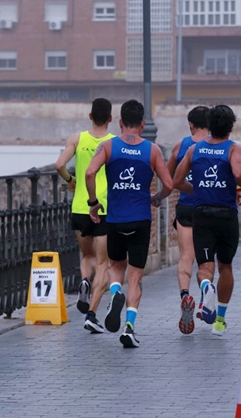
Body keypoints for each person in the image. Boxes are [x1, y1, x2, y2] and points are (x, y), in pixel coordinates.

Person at [85, 99, 174, 348]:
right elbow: (168, 184)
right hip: (140, 220)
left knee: (116, 267)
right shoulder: (152, 150)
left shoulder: (108, 146)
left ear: (121, 123)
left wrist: (93, 202)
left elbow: (90, 173)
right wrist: (156, 198)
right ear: (143, 124)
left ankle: (115, 295)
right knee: (135, 277)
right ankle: (129, 328)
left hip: (114, 219)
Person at [172, 105, 241, 337]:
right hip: (226, 214)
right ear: (231, 127)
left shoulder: (195, 149)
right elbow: (239, 173)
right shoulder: (233, 149)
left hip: (202, 213)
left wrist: (198, 190)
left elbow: (176, 180)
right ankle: (219, 320)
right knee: (226, 266)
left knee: (205, 267)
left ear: (209, 125)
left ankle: (205, 287)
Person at [54, 98, 114, 334]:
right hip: (103, 207)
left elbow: (59, 164)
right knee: (103, 263)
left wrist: (71, 181)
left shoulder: (77, 139)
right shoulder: (113, 143)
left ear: (90, 116)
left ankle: (84, 281)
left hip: (80, 207)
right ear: (110, 118)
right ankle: (92, 313)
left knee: (87, 255)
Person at [166, 106, 210, 335]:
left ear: (191, 124)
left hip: (186, 206)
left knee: (186, 257)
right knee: (205, 261)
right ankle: (204, 298)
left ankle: (185, 295)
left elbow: (168, 178)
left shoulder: (181, 146)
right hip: (209, 208)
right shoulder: (216, 146)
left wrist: (157, 197)